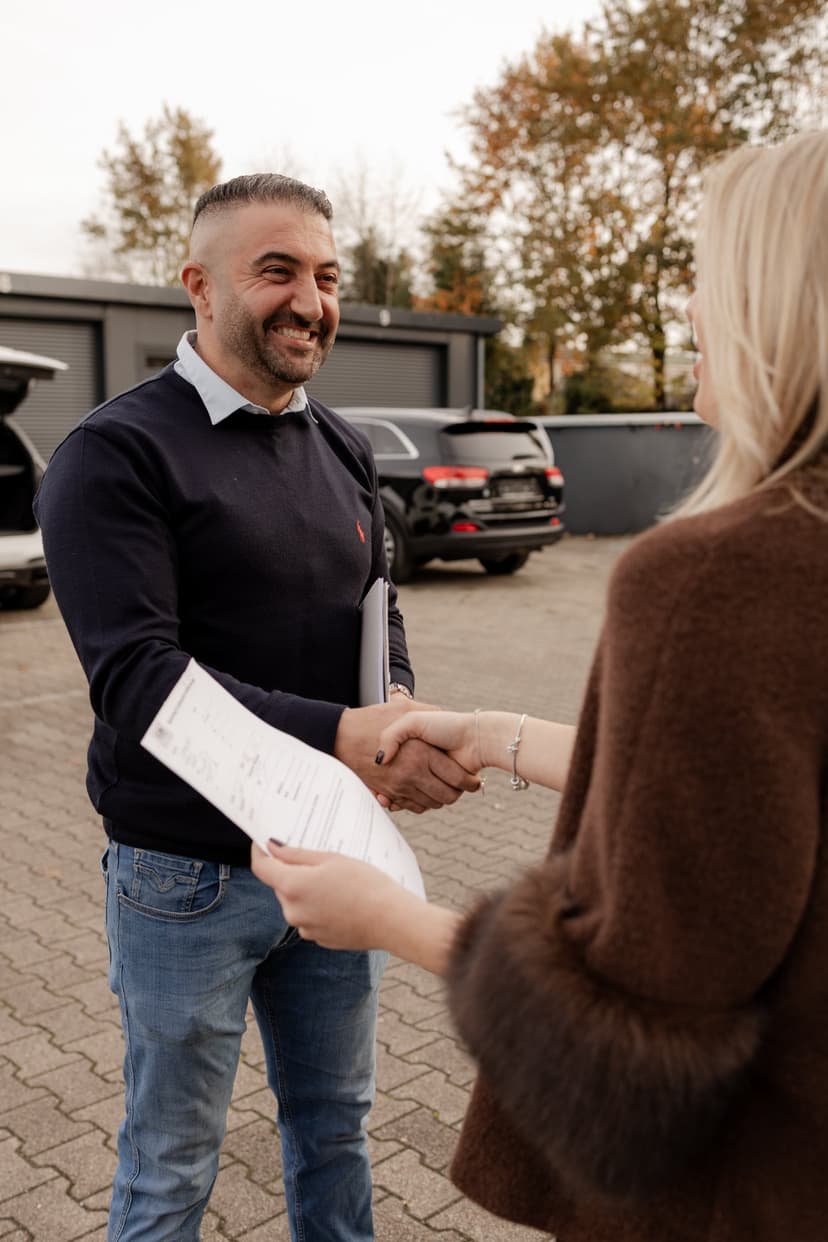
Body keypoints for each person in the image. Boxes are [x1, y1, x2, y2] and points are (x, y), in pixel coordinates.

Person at [252, 130, 828, 1241]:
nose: (689, 310)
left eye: (710, 275)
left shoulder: (717, 578)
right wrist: (492, 732)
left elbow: (631, 1037)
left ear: (776, 305)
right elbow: (743, 799)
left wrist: (390, 919)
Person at [33, 173, 479, 1242]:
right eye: (277, 271)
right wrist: (343, 735)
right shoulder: (115, 454)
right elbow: (138, 679)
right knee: (171, 1164)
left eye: (327, 277)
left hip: (337, 851)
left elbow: (377, 602)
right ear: (198, 284)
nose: (310, 302)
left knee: (337, 1128)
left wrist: (393, 705)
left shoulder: (343, 446)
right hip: (186, 875)